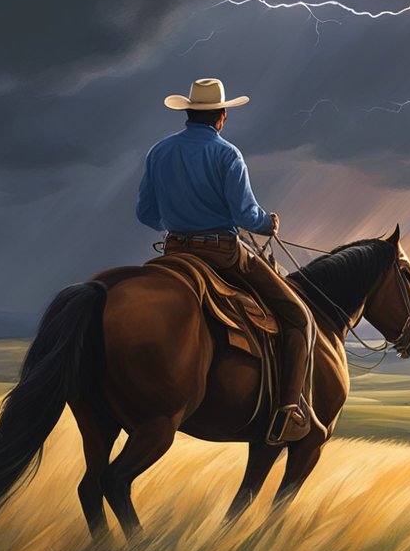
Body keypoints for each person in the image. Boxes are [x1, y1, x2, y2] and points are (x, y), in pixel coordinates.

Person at [136, 78, 318, 445]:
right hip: (221, 253)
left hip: (174, 251)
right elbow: (246, 215)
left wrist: (177, 221)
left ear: (187, 113)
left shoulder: (159, 151)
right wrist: (269, 223)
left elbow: (145, 213)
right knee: (298, 317)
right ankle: (287, 412)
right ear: (221, 117)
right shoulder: (227, 155)